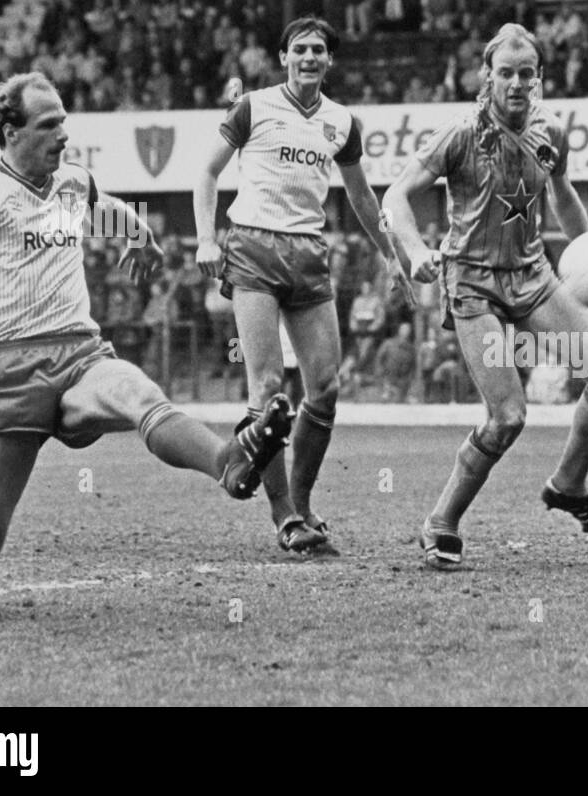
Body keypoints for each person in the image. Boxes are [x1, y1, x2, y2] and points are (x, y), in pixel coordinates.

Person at [0, 73, 293, 603]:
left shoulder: (72, 182)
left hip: (79, 355)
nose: (63, 134)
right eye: (48, 124)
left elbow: (105, 205)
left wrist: (142, 237)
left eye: (64, 120)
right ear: (10, 132)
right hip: (6, 376)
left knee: (139, 394)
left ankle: (230, 463)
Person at [382, 23, 588, 568]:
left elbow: (563, 199)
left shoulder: (551, 135)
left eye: (527, 74)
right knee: (508, 417)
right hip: (472, 285)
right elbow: (397, 194)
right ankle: (441, 522)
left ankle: (569, 485)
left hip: (533, 278)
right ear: (487, 77)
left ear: (539, 78)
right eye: (506, 74)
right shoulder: (460, 134)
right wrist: (416, 249)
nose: (517, 84)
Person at [193, 15, 413, 555]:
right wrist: (206, 239)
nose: (309, 57)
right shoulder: (254, 106)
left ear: (329, 61)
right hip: (253, 249)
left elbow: (361, 197)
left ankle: (304, 503)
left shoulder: (341, 121)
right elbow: (206, 172)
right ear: (284, 57)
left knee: (326, 388)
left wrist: (390, 253)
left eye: (318, 50)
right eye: (300, 49)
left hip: (309, 253)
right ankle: (284, 515)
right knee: (268, 389)